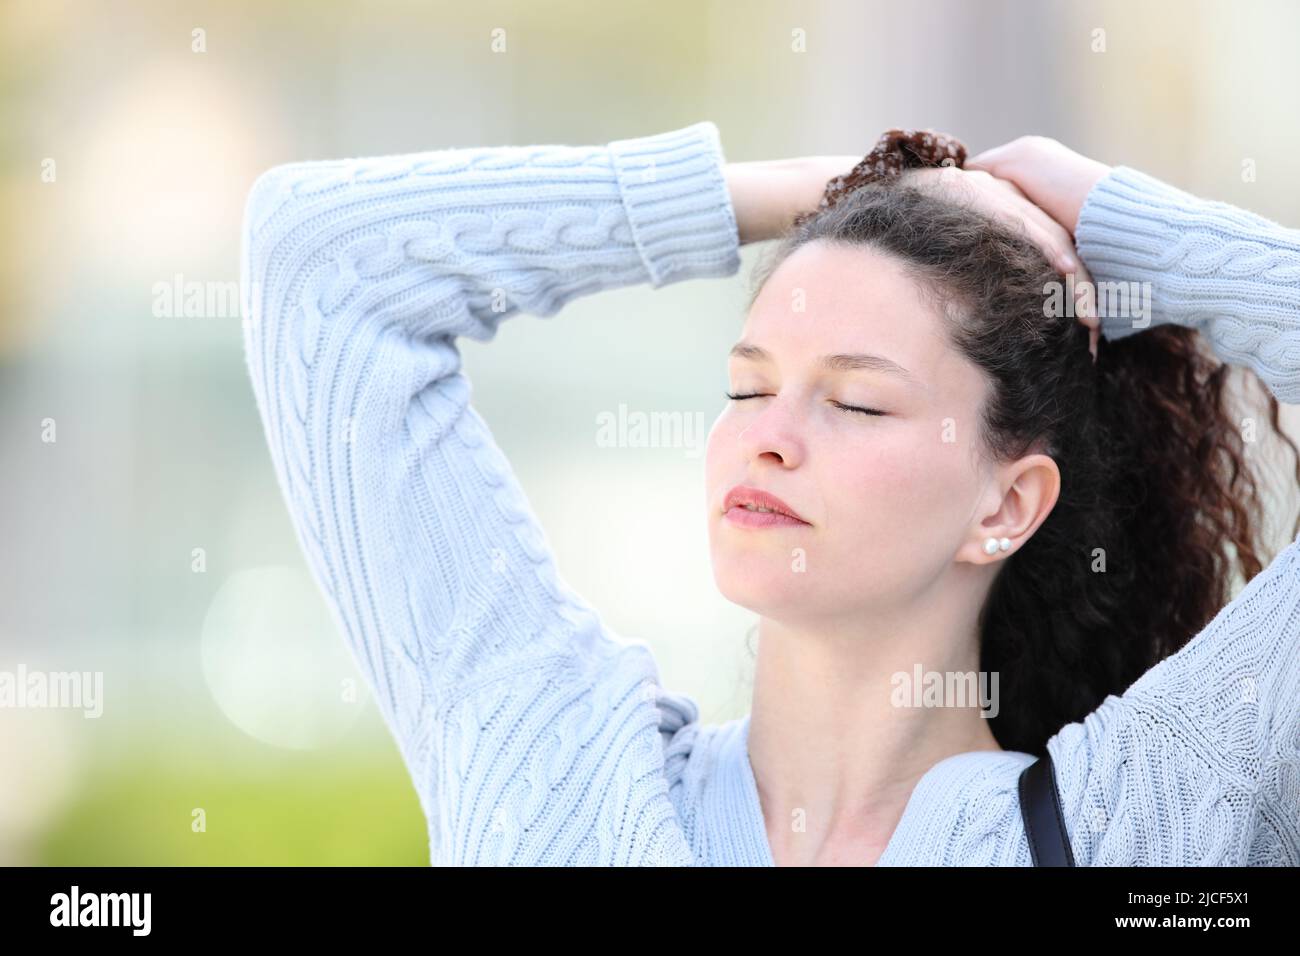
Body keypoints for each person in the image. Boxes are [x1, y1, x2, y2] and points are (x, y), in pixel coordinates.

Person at [239, 120, 1299, 865]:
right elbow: (320, 259)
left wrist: (1112, 224)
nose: (767, 437)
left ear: (1006, 504)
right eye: (746, 384)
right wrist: (859, 187)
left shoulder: (1142, 824)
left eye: (856, 403)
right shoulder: (550, 770)